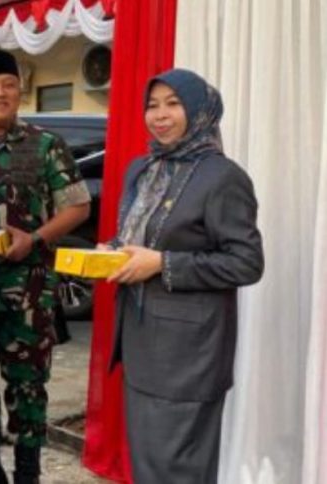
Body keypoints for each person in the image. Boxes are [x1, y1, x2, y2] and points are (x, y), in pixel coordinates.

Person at [105, 68, 264, 484]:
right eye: (152, 105)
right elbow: (139, 234)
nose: (160, 115)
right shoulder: (142, 169)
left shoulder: (222, 177)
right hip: (141, 341)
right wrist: (113, 251)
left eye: (173, 104)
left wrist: (163, 264)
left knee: (179, 471)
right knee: (150, 467)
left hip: (189, 355)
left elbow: (246, 262)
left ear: (199, 110)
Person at [0, 50, 91, 484]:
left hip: (29, 291)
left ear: (20, 92)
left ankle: (27, 472)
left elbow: (77, 206)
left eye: (8, 84)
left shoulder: (45, 144)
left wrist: (35, 238)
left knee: (28, 386)